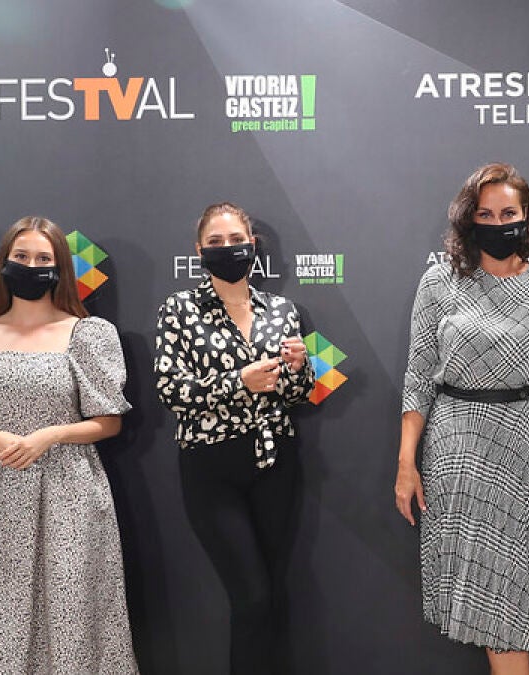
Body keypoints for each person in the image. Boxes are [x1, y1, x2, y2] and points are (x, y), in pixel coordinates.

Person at [0, 216, 137, 673]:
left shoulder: (88, 333)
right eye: (21, 256)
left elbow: (108, 422)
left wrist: (51, 435)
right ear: (4, 262)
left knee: (72, 607)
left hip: (70, 489)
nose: (32, 265)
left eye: (44, 258)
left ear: (60, 268)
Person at [395, 163, 529, 674]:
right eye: (485, 214)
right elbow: (418, 376)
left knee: (515, 598)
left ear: (526, 217)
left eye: (508, 213)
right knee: (490, 602)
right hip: (459, 450)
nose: (498, 223)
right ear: (468, 219)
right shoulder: (439, 282)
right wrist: (406, 463)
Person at [154, 202, 314, 674]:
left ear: (253, 245)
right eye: (216, 242)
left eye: (236, 240)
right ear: (199, 250)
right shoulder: (179, 309)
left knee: (270, 598)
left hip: (276, 464)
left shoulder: (282, 311)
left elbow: (296, 394)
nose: (228, 249)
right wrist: (238, 381)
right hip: (212, 469)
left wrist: (298, 370)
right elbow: (170, 390)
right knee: (252, 597)